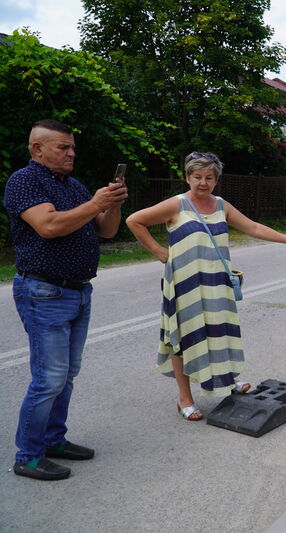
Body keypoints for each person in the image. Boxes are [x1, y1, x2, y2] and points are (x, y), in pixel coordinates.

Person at [126, 152, 286, 422]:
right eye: (197, 176)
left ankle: (226, 378)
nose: (203, 182)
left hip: (216, 284)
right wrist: (159, 252)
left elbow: (254, 228)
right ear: (187, 177)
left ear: (216, 180)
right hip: (184, 286)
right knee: (183, 339)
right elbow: (134, 220)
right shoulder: (177, 205)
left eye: (209, 177)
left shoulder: (222, 206)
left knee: (218, 331)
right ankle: (184, 398)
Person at [5, 119, 128, 480]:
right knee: (49, 377)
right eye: (63, 147)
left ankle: (54, 440)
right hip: (44, 291)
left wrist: (113, 203)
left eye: (72, 147)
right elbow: (49, 226)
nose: (71, 153)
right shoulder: (24, 181)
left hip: (77, 291)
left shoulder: (74, 187)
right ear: (37, 149)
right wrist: (95, 203)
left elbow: (105, 229)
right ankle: (28, 455)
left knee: (66, 375)